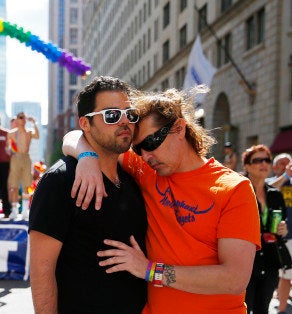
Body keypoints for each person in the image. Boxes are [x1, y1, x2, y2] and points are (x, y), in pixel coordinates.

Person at [63, 87, 261, 313]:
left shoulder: (234, 188)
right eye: (138, 149)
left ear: (179, 128)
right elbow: (74, 136)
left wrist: (149, 270)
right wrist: (86, 157)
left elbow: (234, 279)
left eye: (151, 142)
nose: (145, 156)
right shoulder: (146, 168)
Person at [29, 76, 147, 313]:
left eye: (130, 114)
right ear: (85, 123)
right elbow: (42, 271)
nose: (124, 122)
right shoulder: (59, 181)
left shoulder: (132, 179)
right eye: (111, 115)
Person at [241, 145, 288, 314]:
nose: (264, 164)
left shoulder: (275, 194)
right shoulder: (238, 191)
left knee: (263, 309)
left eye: (267, 160)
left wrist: (283, 229)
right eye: (258, 160)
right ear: (246, 166)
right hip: (245, 261)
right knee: (243, 309)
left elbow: (280, 222)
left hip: (270, 259)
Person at [268, 153, 292, 313]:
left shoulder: (290, 184)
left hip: (290, 237)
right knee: (285, 276)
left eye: (288, 163)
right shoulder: (270, 182)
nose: (287, 166)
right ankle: (282, 310)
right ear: (275, 167)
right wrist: (285, 175)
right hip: (278, 240)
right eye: (283, 163)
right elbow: (270, 189)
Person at [7, 112, 39, 218]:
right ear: (17, 119)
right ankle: (15, 210)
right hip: (16, 157)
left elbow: (37, 136)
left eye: (24, 117)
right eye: (21, 117)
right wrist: (9, 150)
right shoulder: (12, 133)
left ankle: (25, 210)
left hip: (26, 157)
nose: (23, 119)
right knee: (14, 185)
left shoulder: (29, 132)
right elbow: (8, 147)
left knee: (27, 184)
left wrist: (34, 123)